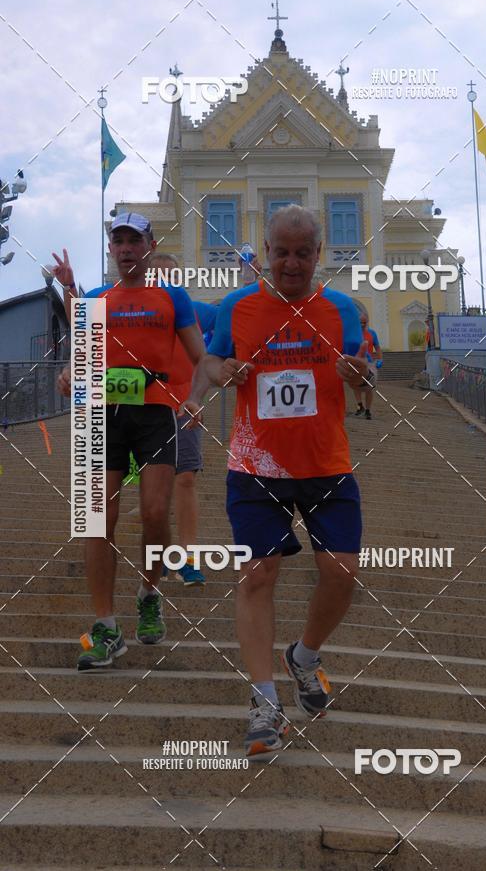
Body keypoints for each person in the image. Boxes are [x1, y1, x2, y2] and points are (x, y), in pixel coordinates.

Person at [204, 204, 372, 757]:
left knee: (342, 572)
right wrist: (222, 371)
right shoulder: (237, 307)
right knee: (258, 575)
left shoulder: (342, 309)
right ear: (267, 252)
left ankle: (304, 655)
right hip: (256, 466)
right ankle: (263, 704)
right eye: (282, 252)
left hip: (326, 463)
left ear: (318, 255)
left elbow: (363, 382)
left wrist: (361, 377)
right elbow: (210, 364)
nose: (292, 263)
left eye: (303, 253)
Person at [56, 213, 205, 671]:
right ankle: (105, 627)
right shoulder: (99, 297)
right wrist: (67, 374)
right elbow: (81, 354)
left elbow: (202, 356)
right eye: (117, 241)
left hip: (157, 411)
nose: (124, 248)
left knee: (156, 513)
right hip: (103, 414)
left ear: (148, 245)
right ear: (112, 249)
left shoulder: (171, 296)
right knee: (97, 517)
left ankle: (148, 592)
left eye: (132, 241)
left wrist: (196, 397)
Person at [146, 252, 216, 586]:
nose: (165, 282)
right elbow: (88, 321)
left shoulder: (196, 311)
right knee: (154, 488)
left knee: (186, 478)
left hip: (185, 405)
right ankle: (159, 556)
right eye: (158, 276)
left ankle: (188, 558)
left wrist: (255, 278)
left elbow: (235, 314)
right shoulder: (138, 313)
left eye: (171, 276)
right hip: (145, 408)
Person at [354, 312, 383, 420]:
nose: (362, 324)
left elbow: (378, 347)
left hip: (369, 364)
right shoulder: (353, 333)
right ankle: (359, 406)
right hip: (357, 362)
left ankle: (368, 410)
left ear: (367, 322)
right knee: (356, 386)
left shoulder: (372, 333)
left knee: (369, 388)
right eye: (360, 322)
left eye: (364, 322)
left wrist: (380, 359)